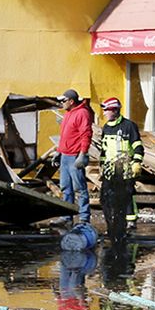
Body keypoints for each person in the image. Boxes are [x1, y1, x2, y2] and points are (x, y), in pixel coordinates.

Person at [98, 97, 144, 237]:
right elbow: (104, 150)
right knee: (106, 197)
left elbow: (137, 145)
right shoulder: (106, 128)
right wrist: (102, 165)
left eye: (107, 110)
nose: (104, 113)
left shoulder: (128, 126)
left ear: (115, 110)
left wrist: (136, 162)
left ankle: (131, 220)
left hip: (125, 166)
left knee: (127, 195)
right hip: (110, 168)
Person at [56, 89, 93, 225]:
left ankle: (84, 217)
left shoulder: (82, 113)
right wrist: (59, 151)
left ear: (71, 101)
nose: (61, 103)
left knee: (80, 188)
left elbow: (86, 134)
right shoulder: (68, 114)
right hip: (65, 156)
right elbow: (65, 136)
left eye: (63, 101)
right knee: (65, 187)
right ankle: (66, 216)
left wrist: (83, 154)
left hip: (75, 156)